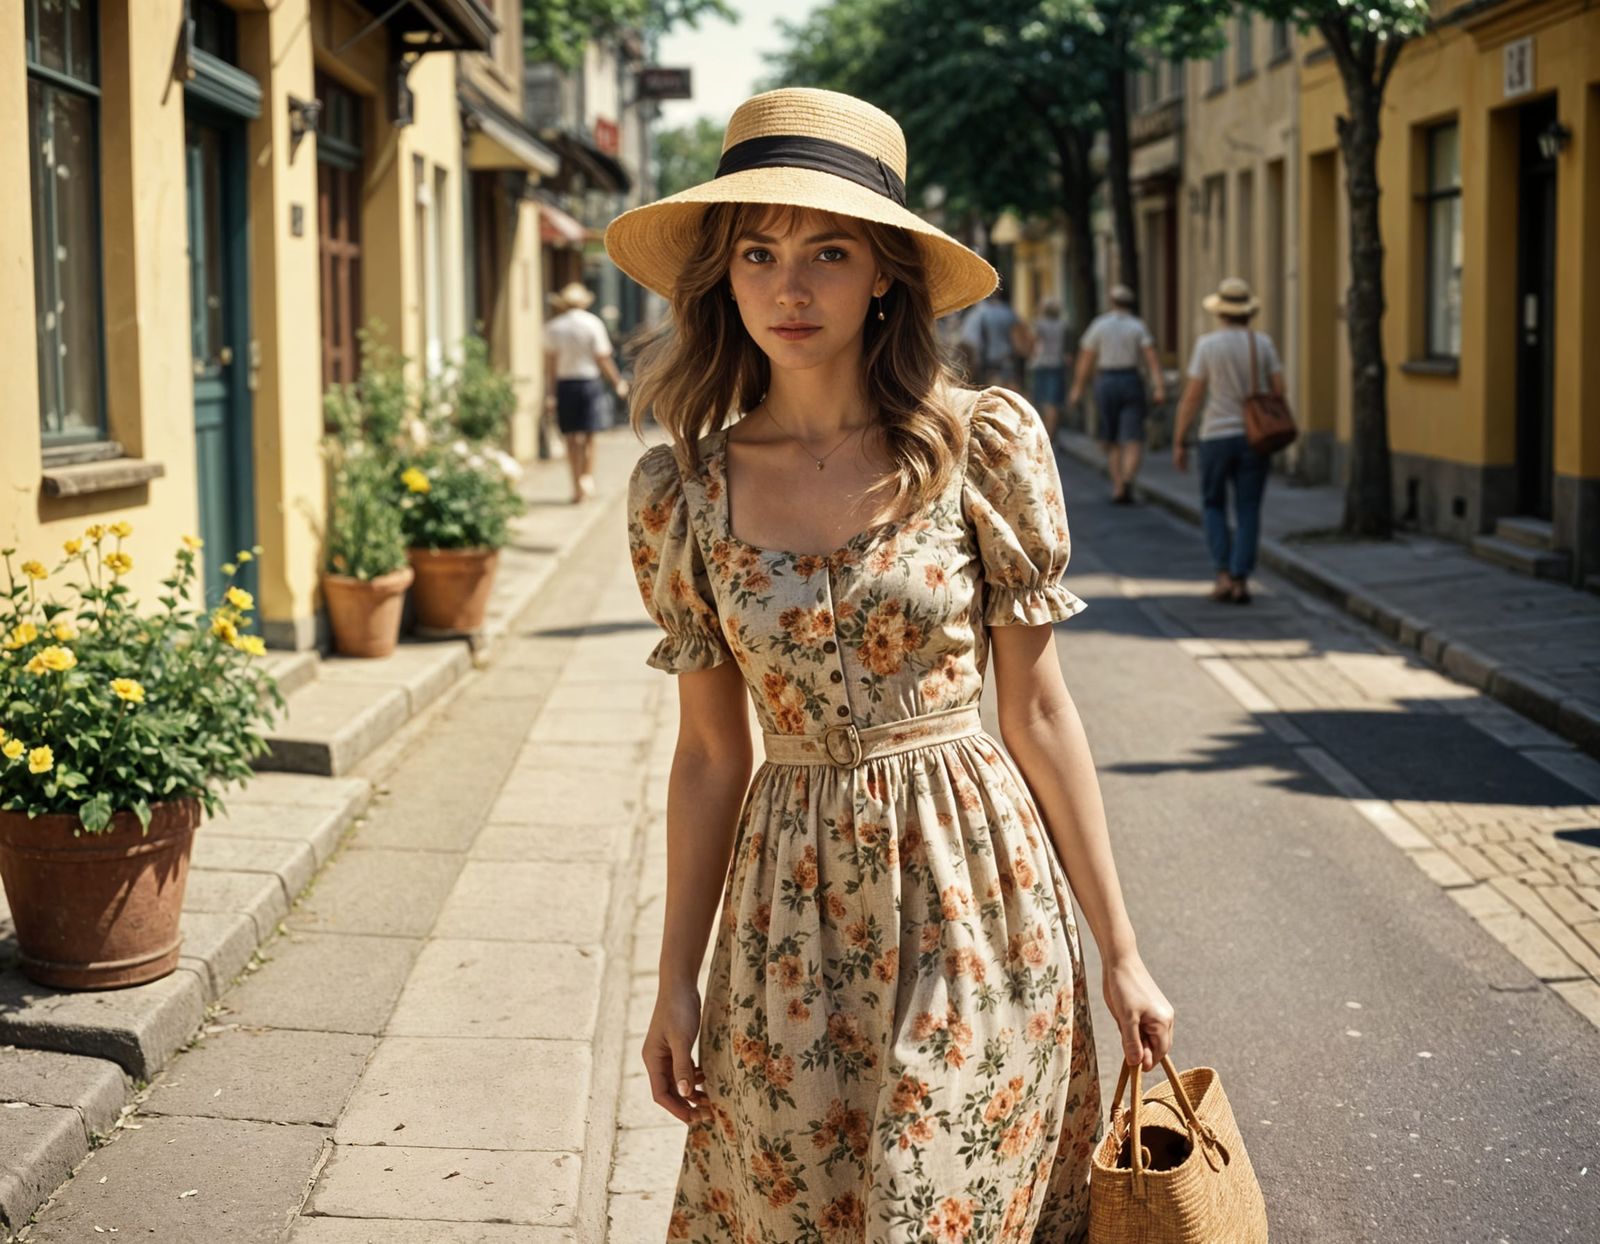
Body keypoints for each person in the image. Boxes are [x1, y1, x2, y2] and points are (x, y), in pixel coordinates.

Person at [605, 87, 1172, 1241]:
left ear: (882, 274)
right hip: (785, 924)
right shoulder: (684, 492)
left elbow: (1040, 712)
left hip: (974, 893)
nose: (790, 287)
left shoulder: (976, 446)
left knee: (936, 1206)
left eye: (828, 251)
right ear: (724, 278)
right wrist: (673, 976)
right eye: (758, 254)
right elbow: (709, 754)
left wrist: (1122, 950)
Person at [1172, 276, 1284, 605]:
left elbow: (1193, 396)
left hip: (1215, 436)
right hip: (1254, 436)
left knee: (1213, 504)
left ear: (1220, 312)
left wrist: (1179, 439)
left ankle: (1222, 574)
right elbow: (1280, 390)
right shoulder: (1262, 344)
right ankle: (1241, 579)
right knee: (1248, 508)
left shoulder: (1207, 346)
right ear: (1248, 311)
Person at [1068, 284, 1166, 504]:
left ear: (1112, 302)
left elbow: (1086, 358)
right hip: (1131, 379)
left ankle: (1118, 486)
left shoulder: (1099, 325)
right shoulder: (1137, 326)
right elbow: (1151, 358)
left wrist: (1077, 388)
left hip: (1107, 381)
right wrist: (1159, 386)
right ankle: (1129, 477)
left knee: (1111, 439)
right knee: (1133, 436)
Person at [543, 281, 630, 503]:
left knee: (571, 437)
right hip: (589, 382)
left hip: (565, 384)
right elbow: (603, 358)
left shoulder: (554, 327)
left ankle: (576, 485)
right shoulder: (593, 323)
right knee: (590, 435)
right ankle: (587, 478)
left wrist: (550, 394)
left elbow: (550, 366)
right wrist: (617, 381)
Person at [960, 289, 1024, 386]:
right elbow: (1018, 340)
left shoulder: (977, 313)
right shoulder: (1008, 312)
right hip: (1007, 361)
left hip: (988, 364)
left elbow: (969, 342)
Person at [1029, 296, 1069, 443]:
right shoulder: (1063, 325)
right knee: (1054, 403)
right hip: (1057, 364)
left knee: (1042, 403)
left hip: (1041, 364)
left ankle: (1046, 439)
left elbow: (1033, 342)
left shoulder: (1039, 324)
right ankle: (1051, 437)